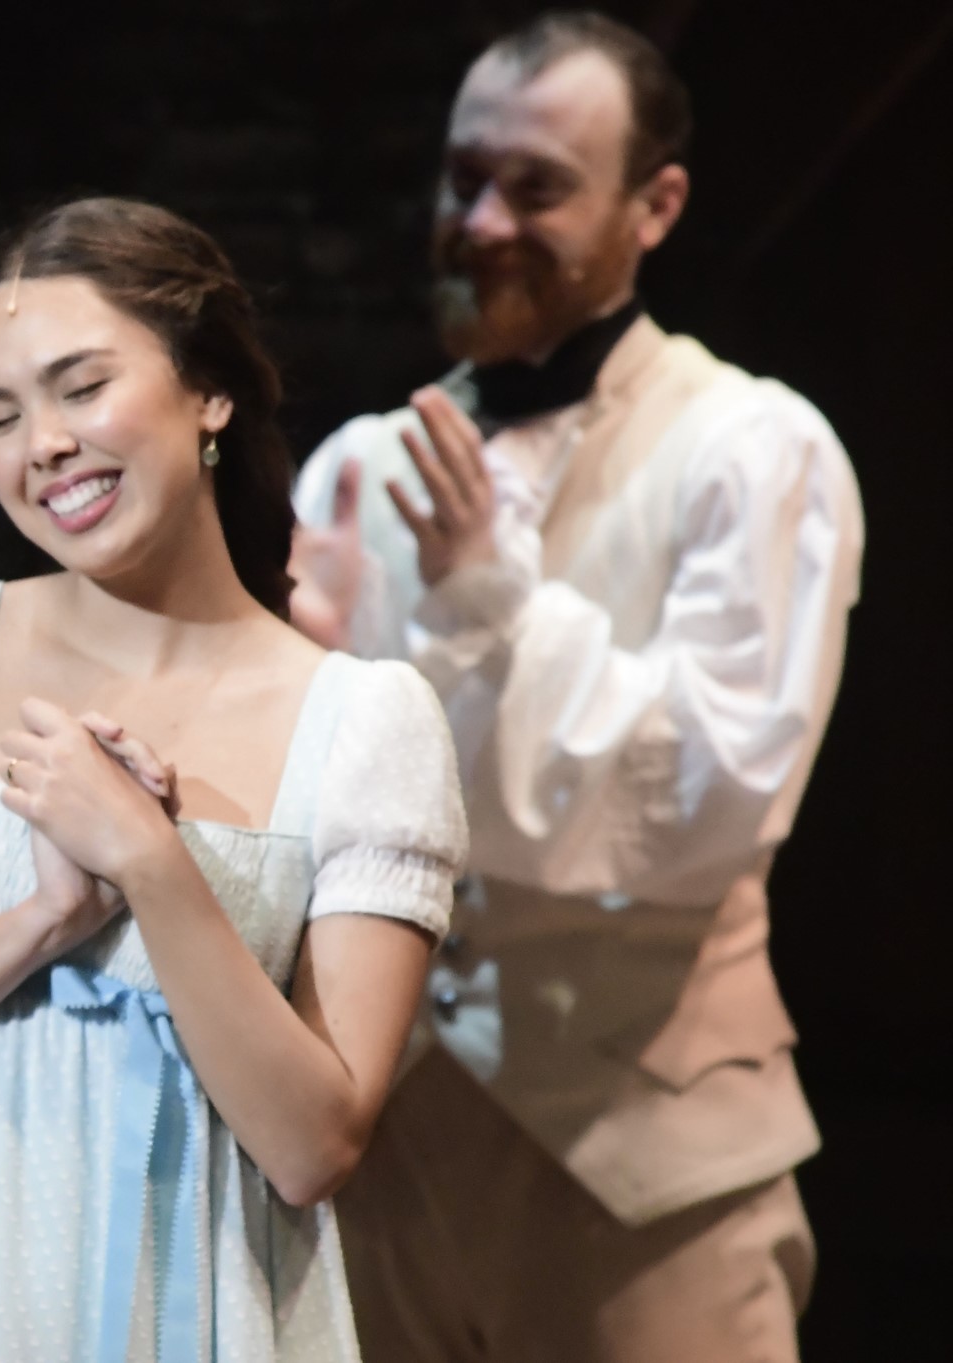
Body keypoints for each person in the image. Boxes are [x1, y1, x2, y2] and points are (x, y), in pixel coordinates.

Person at [290, 13, 864, 1361]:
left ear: (654, 204)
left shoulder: (753, 447)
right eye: (462, 178)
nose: (483, 219)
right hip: (383, 1150)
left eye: (537, 185)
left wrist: (495, 601)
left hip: (644, 1162)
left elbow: (716, 801)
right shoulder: (360, 467)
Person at [0, 196, 467, 1362]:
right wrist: (42, 919)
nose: (42, 443)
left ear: (207, 390)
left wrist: (149, 863)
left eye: (79, 387)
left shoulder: (363, 721)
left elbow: (313, 1144)